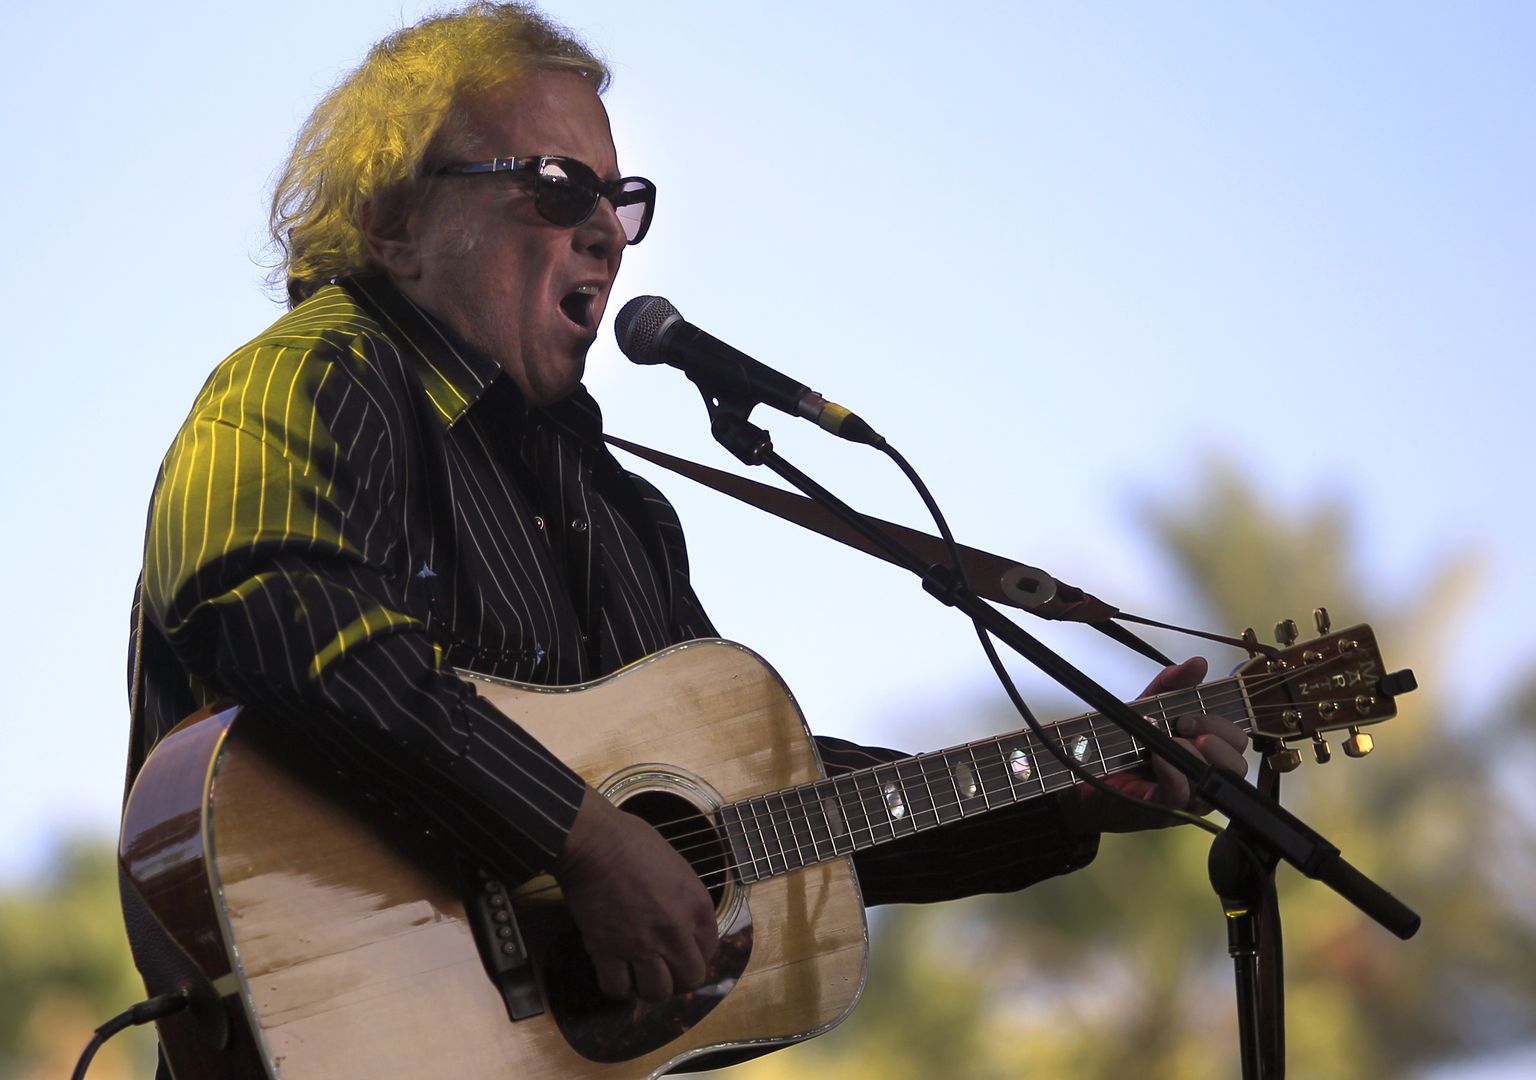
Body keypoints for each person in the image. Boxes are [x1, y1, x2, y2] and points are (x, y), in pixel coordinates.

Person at [125, 0, 1248, 1058]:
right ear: (397, 221)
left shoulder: (614, 505)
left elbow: (757, 797)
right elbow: (270, 609)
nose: (608, 233)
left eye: (622, 199)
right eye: (559, 187)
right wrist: (580, 836)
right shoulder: (326, 375)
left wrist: (1065, 786)